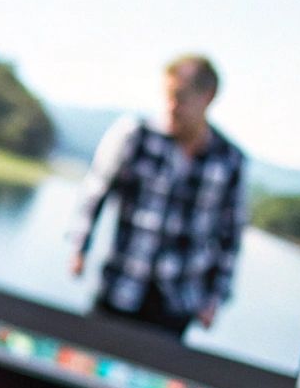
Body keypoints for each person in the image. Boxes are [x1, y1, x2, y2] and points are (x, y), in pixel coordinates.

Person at [66, 55, 248, 340]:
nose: (171, 107)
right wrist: (80, 247)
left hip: (177, 302)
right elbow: (96, 191)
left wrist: (215, 297)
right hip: (120, 285)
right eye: (168, 96)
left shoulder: (230, 161)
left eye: (180, 97)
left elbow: (230, 237)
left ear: (208, 97)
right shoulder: (134, 135)